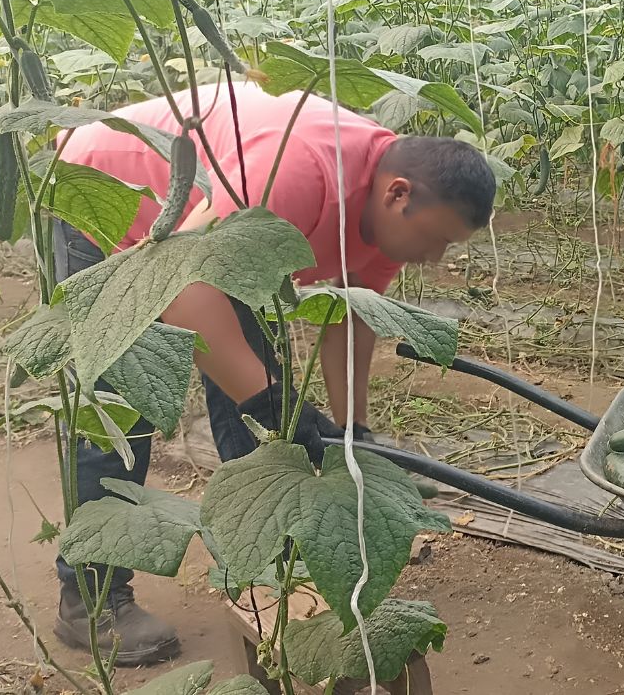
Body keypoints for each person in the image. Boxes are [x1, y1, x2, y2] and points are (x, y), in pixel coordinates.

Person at [50, 81, 496, 665]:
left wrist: (351, 428)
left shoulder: (386, 211)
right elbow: (182, 289)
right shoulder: (301, 171)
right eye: (437, 239)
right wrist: (265, 398)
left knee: (263, 392)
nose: (435, 258)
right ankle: (91, 598)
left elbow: (353, 317)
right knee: (118, 404)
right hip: (107, 188)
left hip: (214, 230)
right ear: (397, 193)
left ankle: (268, 559)